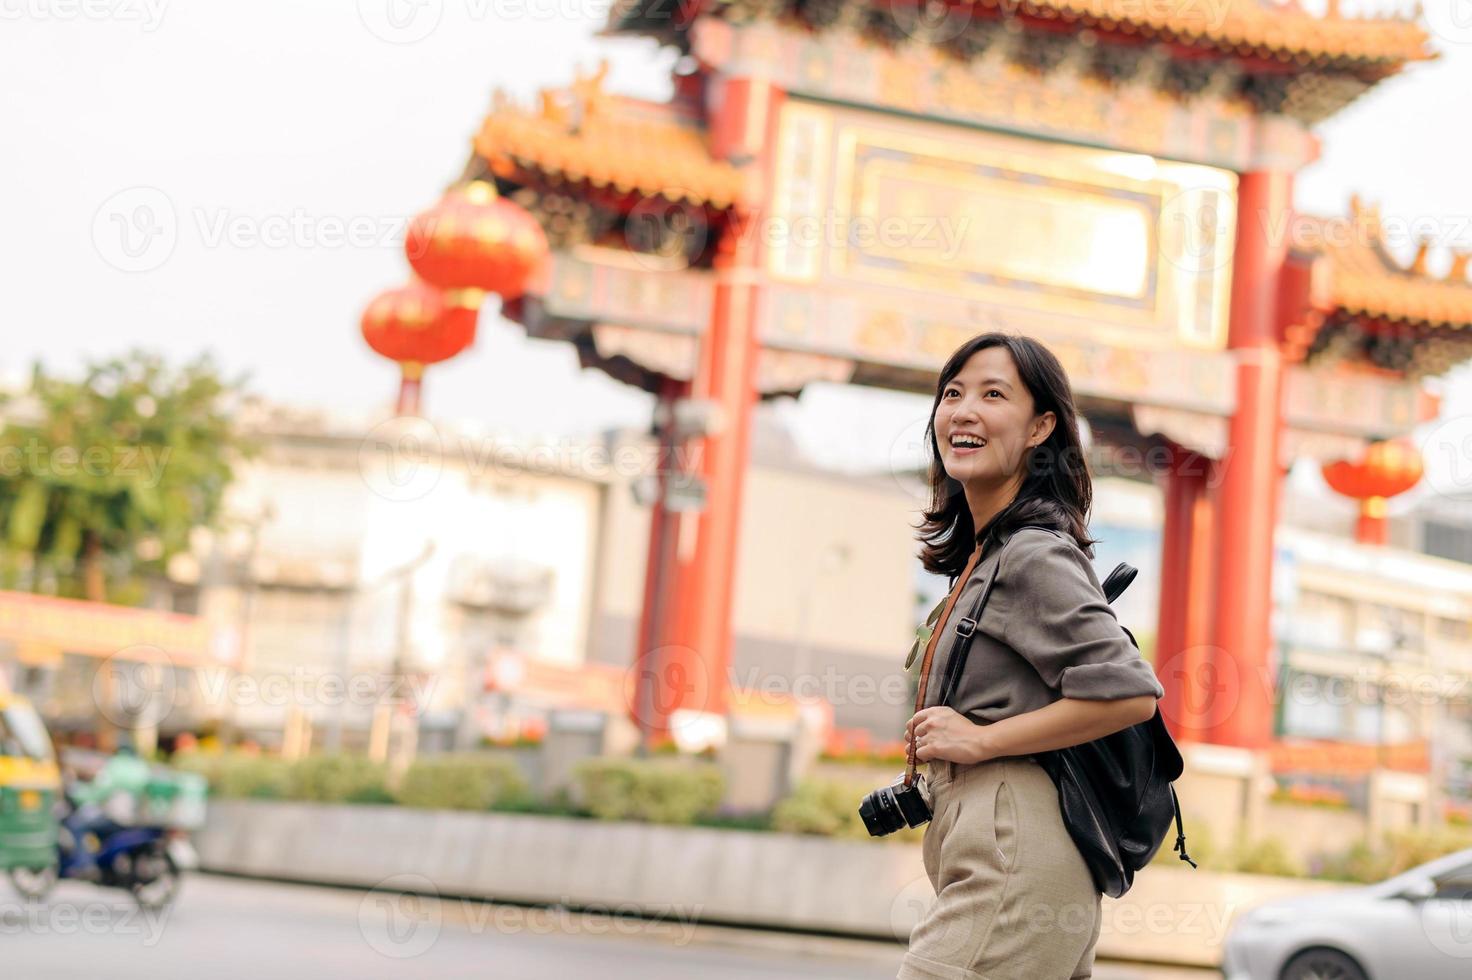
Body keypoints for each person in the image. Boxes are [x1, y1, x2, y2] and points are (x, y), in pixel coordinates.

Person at [898, 333, 1165, 980]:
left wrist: (981, 741)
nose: (963, 411)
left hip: (1014, 857)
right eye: (953, 393)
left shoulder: (1031, 553)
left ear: (1042, 426)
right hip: (992, 852)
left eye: (994, 395)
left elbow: (1130, 692)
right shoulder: (987, 557)